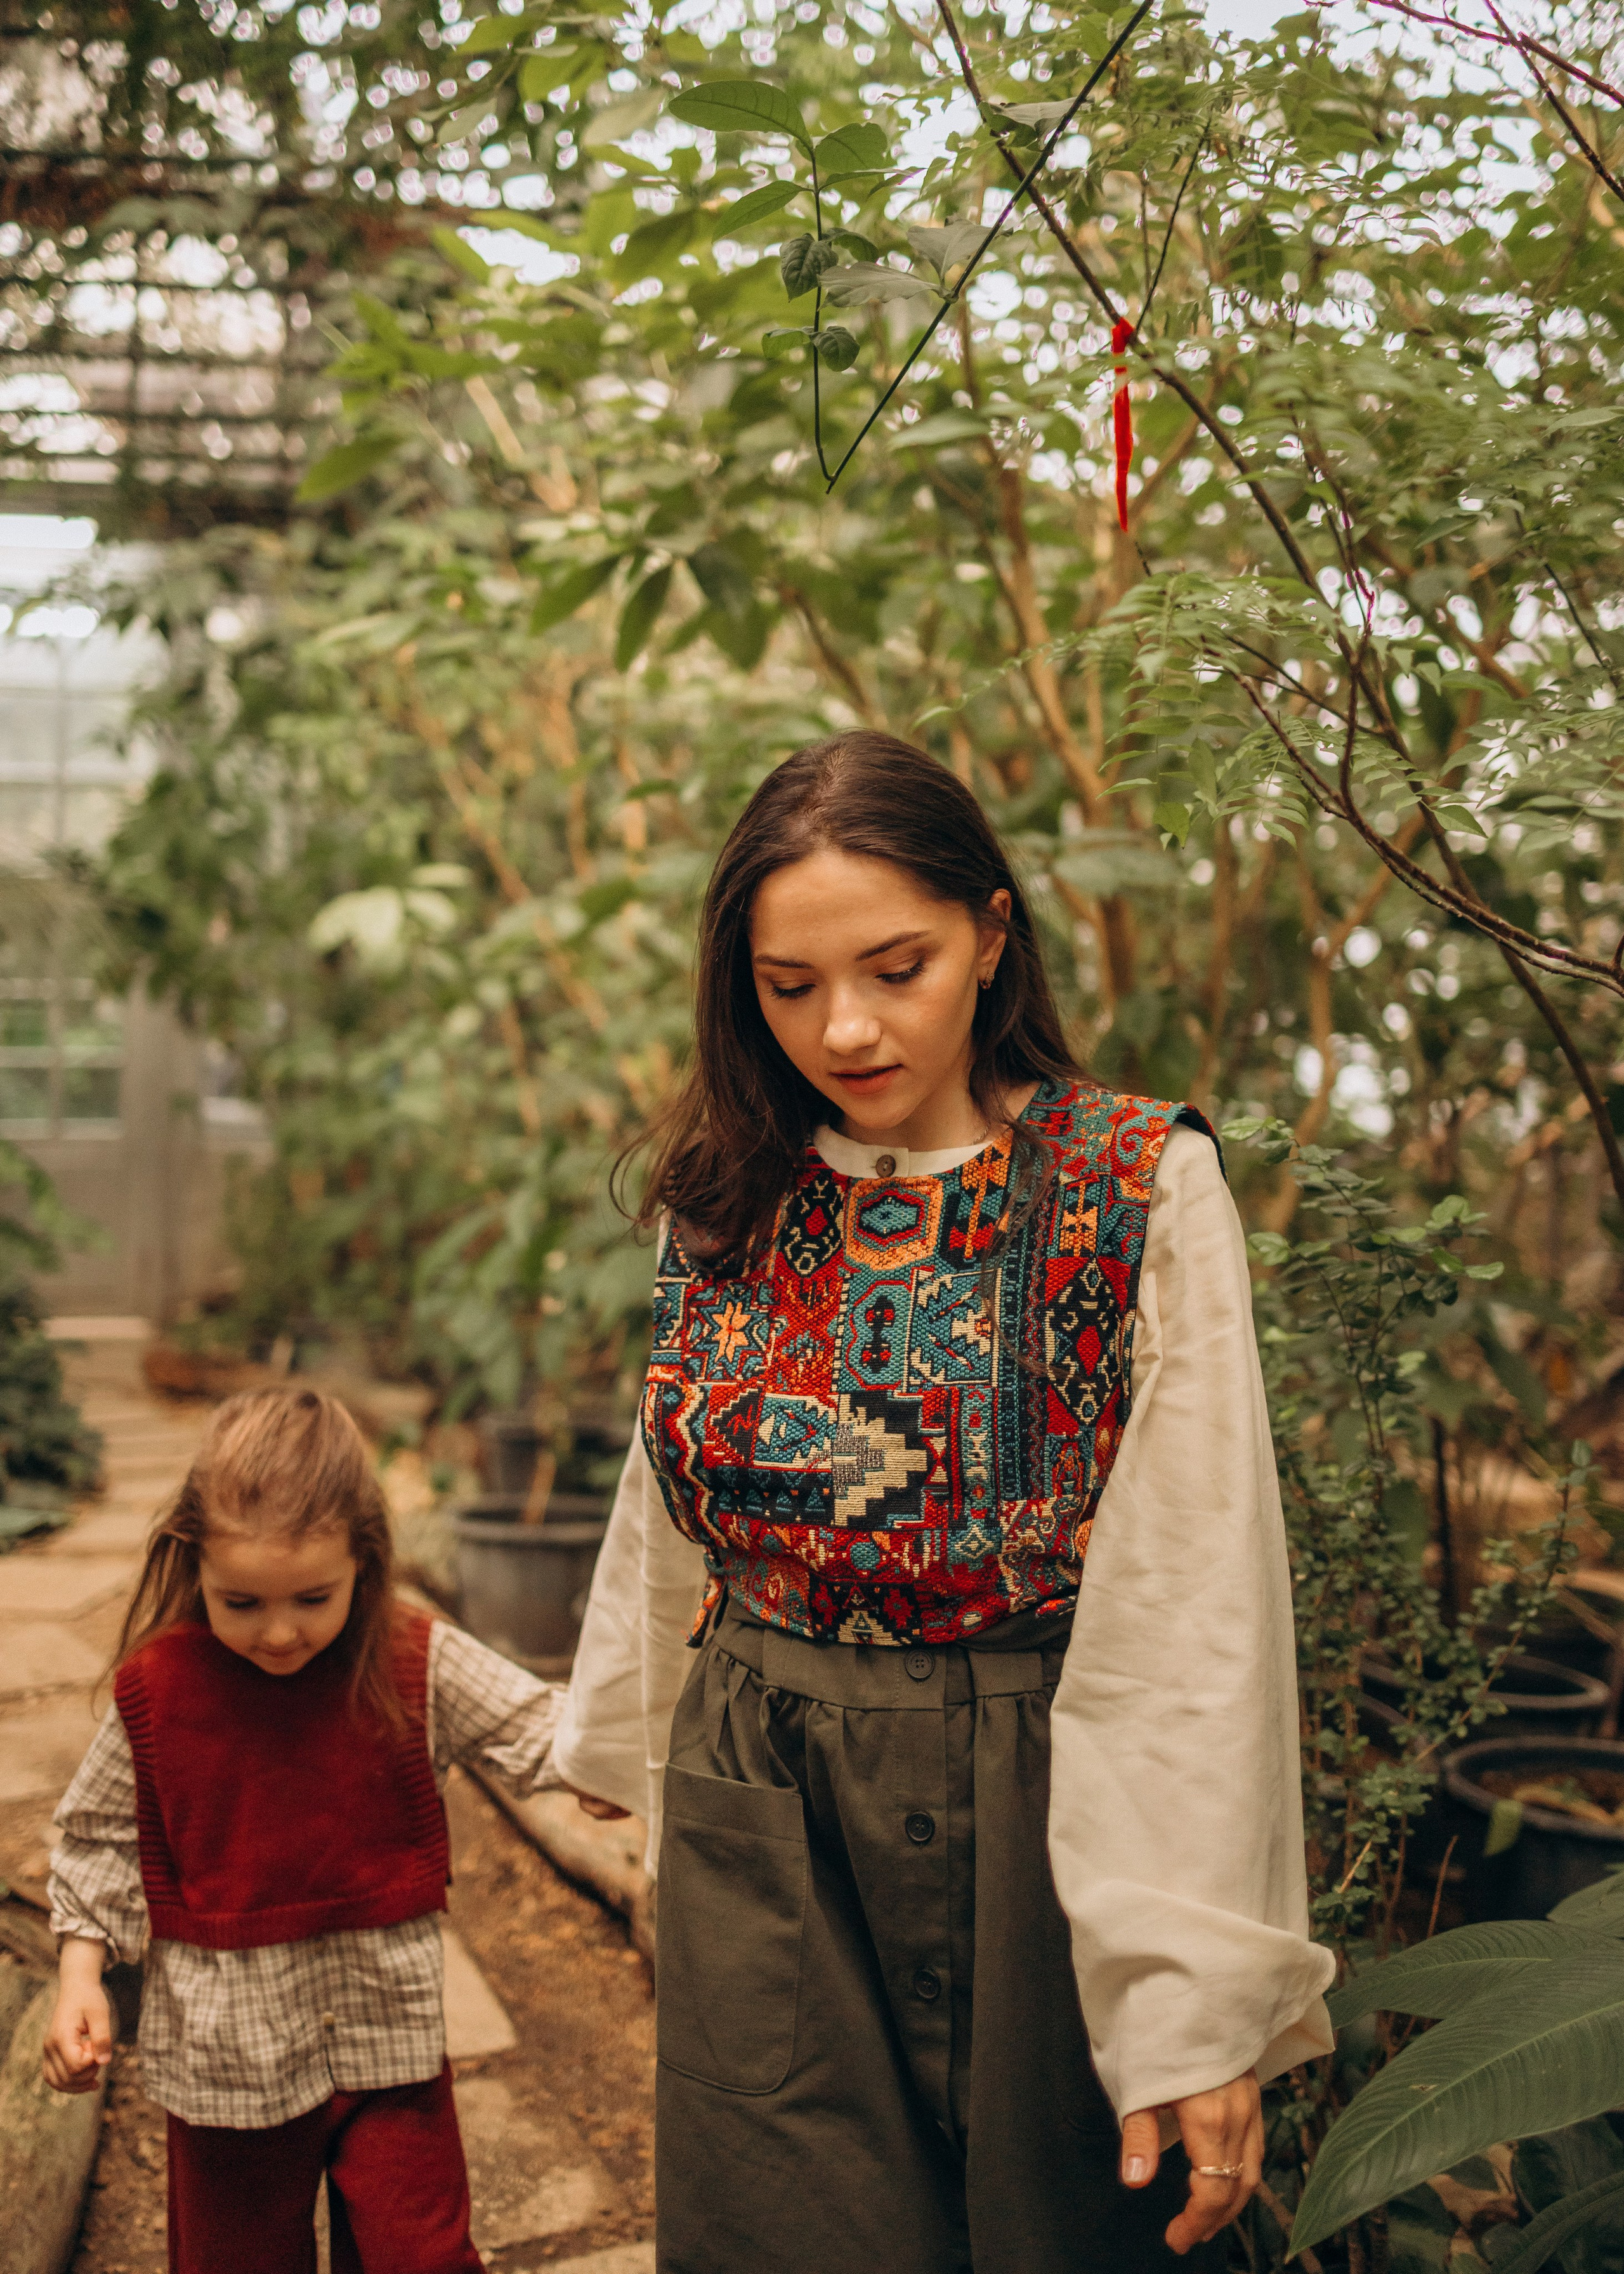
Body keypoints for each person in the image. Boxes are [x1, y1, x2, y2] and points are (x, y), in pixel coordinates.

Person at [552, 731, 1335, 2274]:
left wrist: (1191, 1996)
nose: (843, 1026)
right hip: (764, 1798)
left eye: (894, 964)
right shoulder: (730, 1189)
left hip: (1048, 1799)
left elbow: (1195, 1599)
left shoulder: (1130, 1187)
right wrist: (625, 1730)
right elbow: (671, 1485)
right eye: (788, 986)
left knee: (1071, 2230)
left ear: (989, 932)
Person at [43, 1386, 567, 2274]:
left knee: (425, 2259)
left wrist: (598, 1769)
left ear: (365, 1560)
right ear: (193, 1563)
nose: (280, 1634)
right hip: (228, 2073)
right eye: (239, 1602)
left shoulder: (410, 1657)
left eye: (313, 1598)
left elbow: (534, 1728)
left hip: (388, 2048)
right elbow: (97, 1841)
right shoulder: (158, 1693)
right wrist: (79, 1977)